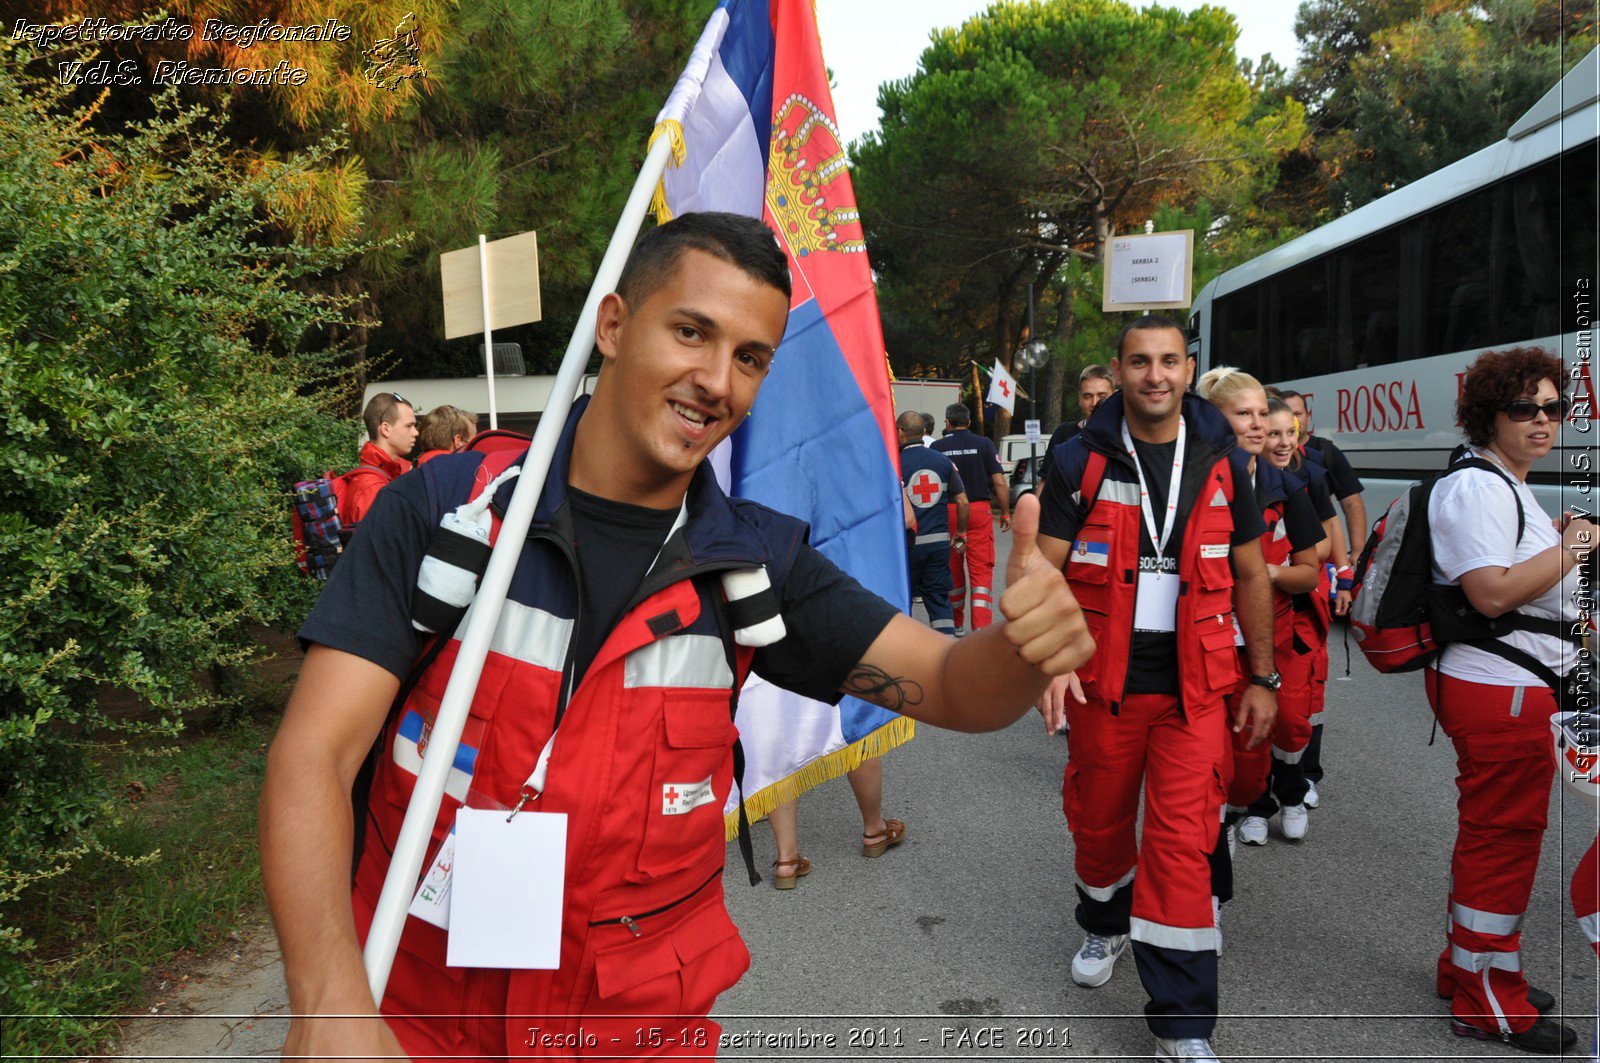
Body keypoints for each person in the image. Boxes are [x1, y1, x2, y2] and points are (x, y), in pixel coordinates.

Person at [258, 211, 1095, 1062]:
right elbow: (314, 755)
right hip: (410, 1031)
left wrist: (1019, 648)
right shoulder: (453, 511)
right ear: (615, 325)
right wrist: (329, 1004)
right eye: (691, 332)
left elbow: (955, 686)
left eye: (750, 357)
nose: (716, 381)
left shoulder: (755, 564)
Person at [1035, 315, 1277, 1063]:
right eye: (1139, 361)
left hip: (1194, 691)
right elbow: (1042, 568)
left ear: (1187, 365)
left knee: (1181, 846)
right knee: (1101, 826)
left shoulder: (1224, 462)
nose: (1154, 375)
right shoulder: (1078, 458)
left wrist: (1263, 676)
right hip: (1104, 687)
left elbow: (1251, 575)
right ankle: (1104, 922)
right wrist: (1051, 663)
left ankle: (1183, 1022)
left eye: (1169, 361)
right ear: (1121, 366)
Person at [1424, 347, 1591, 1055]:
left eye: (1554, 407)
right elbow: (1490, 591)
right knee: (1504, 843)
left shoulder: (1505, 484)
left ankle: (1466, 967)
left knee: (1494, 834)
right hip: (1502, 692)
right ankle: (1488, 996)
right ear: (1487, 413)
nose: (1542, 420)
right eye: (1523, 408)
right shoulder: (1478, 488)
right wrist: (1577, 543)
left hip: (1515, 687)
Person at [1196, 374, 1325, 850]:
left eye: (1261, 416)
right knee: (1232, 742)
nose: (1258, 426)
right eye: (1243, 415)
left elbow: (1311, 572)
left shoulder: (1288, 487)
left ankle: (1291, 788)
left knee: (1289, 722)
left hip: (1275, 632)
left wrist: (1264, 574)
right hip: (1211, 637)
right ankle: (1239, 810)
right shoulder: (1192, 483)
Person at [931, 402, 1010, 631]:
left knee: (952, 568)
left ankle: (956, 624)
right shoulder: (984, 444)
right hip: (978, 512)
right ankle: (981, 628)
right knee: (981, 573)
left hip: (949, 512)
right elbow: (999, 483)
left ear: (947, 422)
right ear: (969, 422)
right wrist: (1005, 512)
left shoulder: (937, 447)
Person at [898, 410, 969, 635]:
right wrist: (961, 532)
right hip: (938, 546)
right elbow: (963, 501)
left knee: (902, 600)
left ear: (900, 432)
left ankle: (904, 654)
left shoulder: (895, 464)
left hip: (907, 546)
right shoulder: (942, 461)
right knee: (939, 600)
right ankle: (946, 649)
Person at [1278, 389, 1367, 561]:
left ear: (1308, 417)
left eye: (1298, 413)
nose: (1295, 420)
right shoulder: (1266, 456)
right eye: (1289, 414)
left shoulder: (1325, 452)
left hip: (1320, 561)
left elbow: (1351, 505)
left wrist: (1357, 553)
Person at [344, 392, 419, 524]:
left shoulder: (393, 473)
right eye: (409, 426)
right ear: (385, 429)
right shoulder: (371, 490)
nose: (416, 432)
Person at [1040, 364, 1116, 485]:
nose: (1094, 403)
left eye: (1102, 396)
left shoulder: (1127, 435)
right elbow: (1045, 483)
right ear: (1079, 399)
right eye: (1088, 396)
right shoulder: (1063, 433)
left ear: (1115, 396)